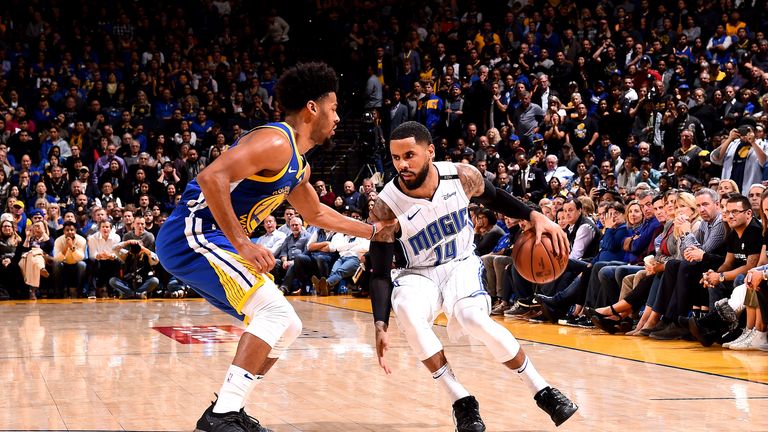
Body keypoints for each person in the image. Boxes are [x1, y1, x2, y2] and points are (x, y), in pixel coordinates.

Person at [156, 62, 389, 432]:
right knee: (276, 315)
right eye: (334, 108)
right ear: (312, 108)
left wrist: (373, 230)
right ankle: (220, 418)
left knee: (289, 325)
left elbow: (315, 213)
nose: (338, 117)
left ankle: (230, 405)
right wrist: (244, 243)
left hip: (210, 240)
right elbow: (211, 176)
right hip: (192, 234)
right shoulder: (276, 141)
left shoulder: (299, 164)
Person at [367, 121, 577, 431]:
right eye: (396, 158)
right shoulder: (386, 206)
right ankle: (461, 401)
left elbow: (497, 198)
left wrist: (534, 214)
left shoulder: (461, 176)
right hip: (417, 273)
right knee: (408, 312)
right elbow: (380, 273)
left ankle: (543, 391)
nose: (402, 165)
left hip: (460, 263)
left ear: (430, 152)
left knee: (473, 318)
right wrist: (380, 324)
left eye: (409, 155)